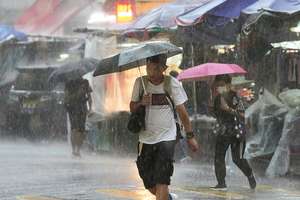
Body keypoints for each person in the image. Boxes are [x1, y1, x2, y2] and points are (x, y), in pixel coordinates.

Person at [130, 54, 199, 200]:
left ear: (164, 68)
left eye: (157, 68)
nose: (153, 71)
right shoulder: (139, 83)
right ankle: (168, 198)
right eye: (150, 67)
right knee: (149, 182)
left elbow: (182, 112)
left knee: (162, 179)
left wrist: (190, 136)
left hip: (167, 138)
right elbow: (132, 107)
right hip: (146, 139)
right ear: (146, 66)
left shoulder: (171, 83)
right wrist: (142, 102)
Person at [211, 74, 256, 190]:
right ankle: (221, 182)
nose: (219, 88)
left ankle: (250, 175)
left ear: (228, 85)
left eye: (221, 85)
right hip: (223, 132)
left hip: (236, 132)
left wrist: (228, 109)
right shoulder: (216, 98)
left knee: (237, 159)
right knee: (219, 157)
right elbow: (216, 115)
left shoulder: (235, 97)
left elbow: (242, 114)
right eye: (217, 85)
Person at [64, 77, 92, 157]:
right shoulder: (82, 83)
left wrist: (90, 108)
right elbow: (89, 97)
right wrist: (90, 108)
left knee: (77, 130)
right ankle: (76, 150)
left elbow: (66, 97)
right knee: (78, 130)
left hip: (76, 109)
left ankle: (75, 150)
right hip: (78, 109)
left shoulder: (71, 82)